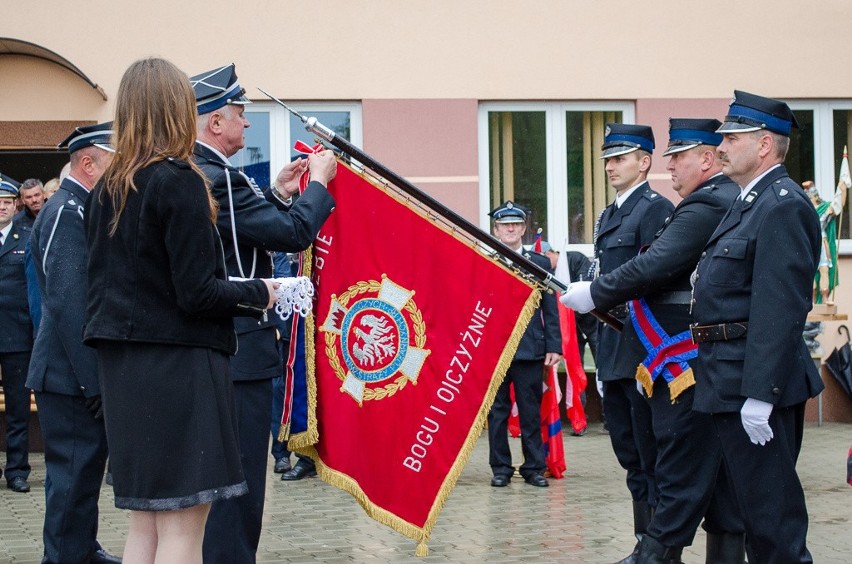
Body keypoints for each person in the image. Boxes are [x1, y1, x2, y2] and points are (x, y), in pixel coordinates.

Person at [83, 57, 278, 564]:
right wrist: (261, 291)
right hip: (179, 368)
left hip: (122, 371)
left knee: (145, 526)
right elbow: (197, 292)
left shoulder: (106, 187)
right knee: (183, 530)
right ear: (177, 109)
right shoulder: (179, 180)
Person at [562, 119, 745, 563]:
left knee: (681, 469)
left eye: (677, 158)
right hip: (649, 350)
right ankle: (654, 549)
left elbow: (654, 270)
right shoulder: (693, 202)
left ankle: (654, 552)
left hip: (675, 354)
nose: (671, 169)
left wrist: (593, 294)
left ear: (704, 158)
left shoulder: (700, 205)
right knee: (667, 467)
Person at [190, 63, 336, 563]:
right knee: (239, 488)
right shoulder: (216, 177)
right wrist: (319, 185)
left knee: (227, 484)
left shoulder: (205, 173)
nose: (247, 125)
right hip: (240, 349)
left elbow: (244, 235)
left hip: (223, 348)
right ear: (214, 123)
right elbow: (292, 234)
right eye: (240, 115)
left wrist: (277, 194)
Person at [691, 90, 823, 563]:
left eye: (733, 137)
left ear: (764, 144)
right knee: (752, 514)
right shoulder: (750, 200)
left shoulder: (782, 205)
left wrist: (760, 394)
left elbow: (780, 308)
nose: (721, 147)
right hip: (728, 377)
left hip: (755, 383)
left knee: (773, 524)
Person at [27, 122, 120, 564]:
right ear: (88, 163)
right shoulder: (68, 210)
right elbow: (68, 304)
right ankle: (64, 555)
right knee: (69, 479)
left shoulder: (82, 207)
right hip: (69, 377)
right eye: (113, 161)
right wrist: (93, 383)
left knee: (82, 477)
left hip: (73, 374)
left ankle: (81, 548)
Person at [589, 124, 673, 562]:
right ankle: (646, 543)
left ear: (644, 162)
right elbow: (602, 281)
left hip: (643, 349)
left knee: (650, 452)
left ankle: (658, 548)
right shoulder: (608, 215)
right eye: (607, 158)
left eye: (620, 157)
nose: (610, 165)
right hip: (613, 350)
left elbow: (651, 278)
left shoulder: (656, 210)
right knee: (628, 451)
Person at [486, 201, 561, 488]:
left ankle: (533, 468)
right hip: (496, 350)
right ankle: (501, 468)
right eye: (505, 225)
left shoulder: (539, 262)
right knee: (498, 413)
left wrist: (554, 345)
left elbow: (550, 307)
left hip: (530, 348)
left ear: (524, 228)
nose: (511, 229)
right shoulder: (488, 259)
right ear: (496, 229)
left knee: (531, 412)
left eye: (515, 224)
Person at [0, 172, 33, 494]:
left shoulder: (28, 236)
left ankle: (17, 470)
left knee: (18, 408)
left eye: (7, 202)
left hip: (17, 336)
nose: (2, 208)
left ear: (16, 205)